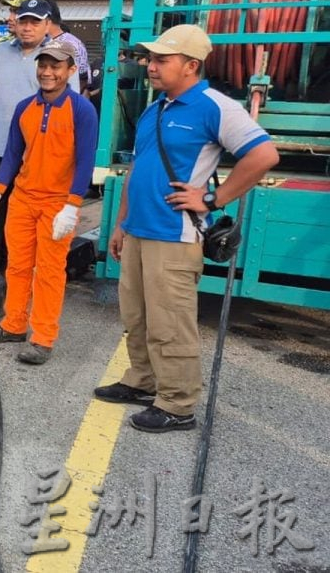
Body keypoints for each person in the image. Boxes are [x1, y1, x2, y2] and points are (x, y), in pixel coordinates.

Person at [93, 25, 278, 432]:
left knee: (170, 323)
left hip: (174, 236)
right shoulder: (155, 109)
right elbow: (137, 168)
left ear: (191, 65)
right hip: (139, 231)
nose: (151, 66)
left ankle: (177, 405)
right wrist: (121, 224)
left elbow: (264, 155)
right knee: (137, 315)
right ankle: (142, 380)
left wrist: (212, 199)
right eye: (150, 59)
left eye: (162, 60)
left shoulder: (214, 107)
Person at [0, 41, 97, 364]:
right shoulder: (25, 108)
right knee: (17, 265)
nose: (47, 72)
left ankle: (43, 337)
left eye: (55, 66)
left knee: (49, 271)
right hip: (23, 199)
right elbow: (13, 153)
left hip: (58, 204)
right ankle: (13, 324)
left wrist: (73, 206)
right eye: (43, 65)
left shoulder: (82, 110)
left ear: (70, 71)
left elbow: (85, 160)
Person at [0, 0, 80, 278]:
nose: (28, 27)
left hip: (34, 151)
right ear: (15, 23)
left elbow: (71, 107)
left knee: (22, 210)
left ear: (47, 24)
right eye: (23, 21)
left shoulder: (56, 59)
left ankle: (14, 260)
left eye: (35, 22)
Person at [44, 0, 91, 90]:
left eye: (35, 20)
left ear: (47, 20)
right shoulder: (41, 42)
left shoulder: (71, 44)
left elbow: (82, 78)